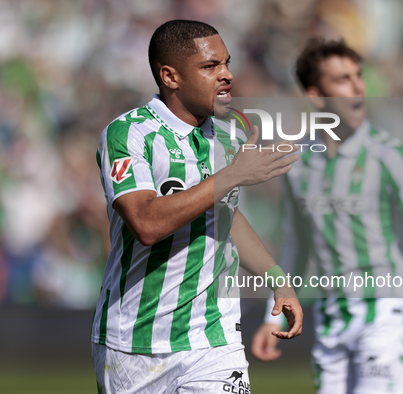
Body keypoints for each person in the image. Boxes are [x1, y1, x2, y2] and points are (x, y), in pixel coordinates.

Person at [251, 38, 403, 394]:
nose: (358, 86)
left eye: (358, 75)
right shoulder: (298, 163)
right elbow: (296, 245)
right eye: (343, 79)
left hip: (387, 314)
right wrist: (274, 315)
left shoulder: (389, 155)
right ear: (317, 96)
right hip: (331, 317)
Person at [91, 20, 303, 394]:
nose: (227, 75)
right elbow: (145, 223)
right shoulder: (129, 133)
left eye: (226, 63)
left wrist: (277, 278)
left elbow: (224, 215)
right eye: (210, 67)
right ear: (170, 76)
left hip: (214, 337)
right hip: (134, 342)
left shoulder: (230, 133)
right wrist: (233, 175)